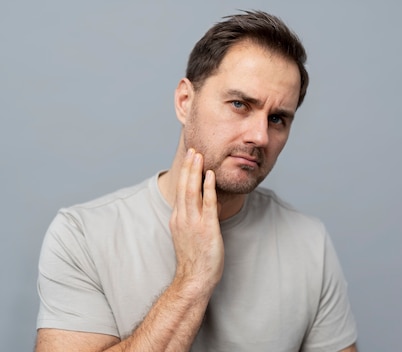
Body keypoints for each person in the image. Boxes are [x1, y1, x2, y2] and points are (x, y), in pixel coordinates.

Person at [35, 10, 357, 352]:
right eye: (239, 104)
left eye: (277, 119)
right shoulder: (81, 235)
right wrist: (193, 279)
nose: (260, 136)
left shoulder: (309, 243)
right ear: (185, 102)